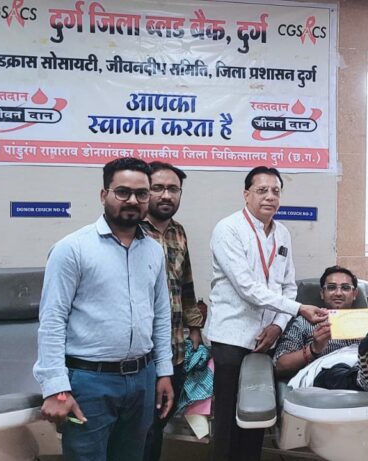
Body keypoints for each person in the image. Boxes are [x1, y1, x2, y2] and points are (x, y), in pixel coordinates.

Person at [34, 157, 174, 461]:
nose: (132, 200)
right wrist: (56, 388)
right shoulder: (72, 249)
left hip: (143, 379)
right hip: (89, 383)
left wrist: (164, 371)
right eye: (122, 192)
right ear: (103, 195)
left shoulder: (153, 251)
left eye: (141, 193)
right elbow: (52, 320)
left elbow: (162, 316)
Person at [205, 166, 328, 461]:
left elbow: (288, 286)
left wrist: (278, 326)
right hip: (231, 338)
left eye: (275, 191)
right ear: (246, 194)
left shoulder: (282, 232)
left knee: (257, 414)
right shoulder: (228, 229)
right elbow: (247, 287)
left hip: (267, 339)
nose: (270, 197)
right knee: (227, 416)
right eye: (262, 190)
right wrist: (298, 310)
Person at [140, 162, 203, 461]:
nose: (166, 195)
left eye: (173, 189)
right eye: (158, 188)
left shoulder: (178, 232)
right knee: (137, 429)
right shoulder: (130, 229)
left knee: (158, 424)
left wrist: (195, 327)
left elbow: (186, 284)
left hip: (175, 350)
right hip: (139, 353)